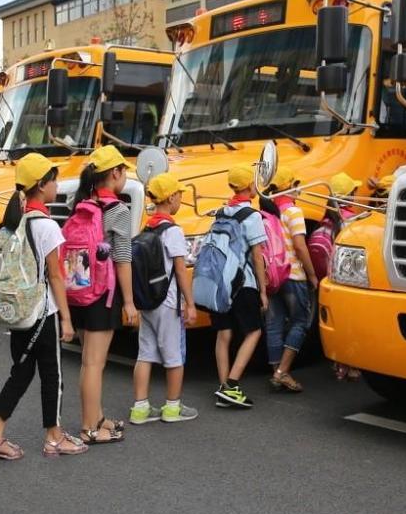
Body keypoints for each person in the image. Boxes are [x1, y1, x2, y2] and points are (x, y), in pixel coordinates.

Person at [0, 153, 87, 459]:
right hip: (43, 313)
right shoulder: (47, 226)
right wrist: (66, 318)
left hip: (19, 312)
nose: (56, 184)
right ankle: (54, 437)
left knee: (21, 373)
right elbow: (55, 275)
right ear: (42, 185)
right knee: (52, 375)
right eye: (53, 179)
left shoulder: (15, 221)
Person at [68, 145, 137, 444]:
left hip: (79, 290)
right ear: (115, 173)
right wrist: (131, 302)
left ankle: (96, 417)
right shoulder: (118, 210)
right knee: (95, 364)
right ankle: (90, 428)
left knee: (87, 361)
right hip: (102, 294)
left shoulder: (83, 204)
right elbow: (122, 257)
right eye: (123, 172)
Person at [130, 172, 199, 424]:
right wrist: (190, 304)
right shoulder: (173, 231)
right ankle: (172, 408)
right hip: (168, 302)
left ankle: (140, 409)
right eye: (179, 194)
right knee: (174, 356)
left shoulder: (146, 227)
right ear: (170, 198)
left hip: (147, 301)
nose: (180, 198)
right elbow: (180, 270)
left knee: (145, 354)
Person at [211, 165, 269, 410]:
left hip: (219, 281)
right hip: (243, 282)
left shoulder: (220, 212)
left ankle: (224, 386)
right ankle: (231, 385)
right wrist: (263, 290)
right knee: (254, 331)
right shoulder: (253, 216)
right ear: (248, 186)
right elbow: (257, 255)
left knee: (224, 333)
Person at [262, 165, 317, 393]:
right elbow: (300, 247)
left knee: (274, 324)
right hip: (293, 275)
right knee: (300, 322)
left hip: (273, 276)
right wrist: (312, 274)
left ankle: (276, 370)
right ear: (292, 187)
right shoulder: (293, 212)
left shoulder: (270, 212)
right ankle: (282, 372)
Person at [326, 172, 363, 382]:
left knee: (339, 324)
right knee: (353, 326)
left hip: (332, 279)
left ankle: (339, 365)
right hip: (350, 279)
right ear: (350, 196)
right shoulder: (353, 219)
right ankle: (352, 366)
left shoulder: (328, 216)